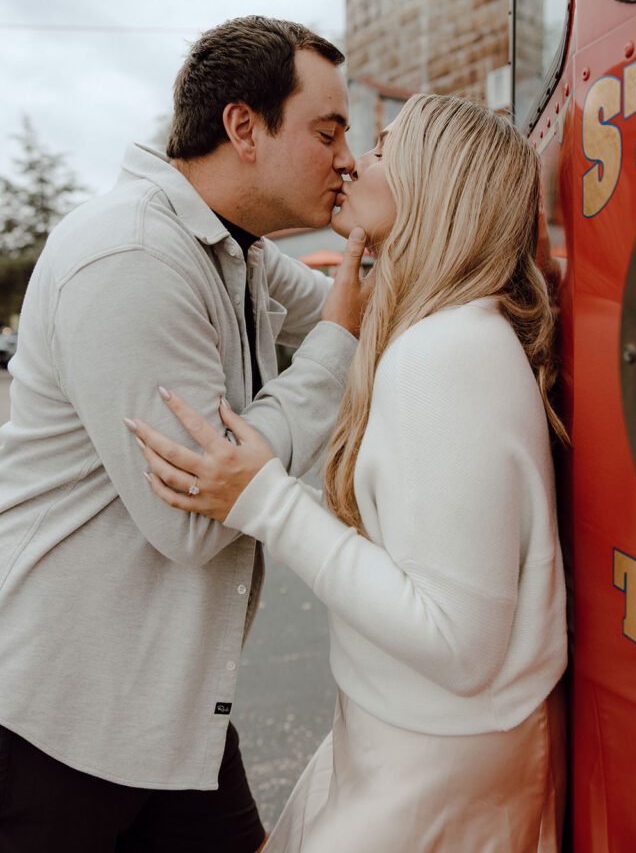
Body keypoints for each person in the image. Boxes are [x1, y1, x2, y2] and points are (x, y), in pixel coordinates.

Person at [131, 94, 569, 852]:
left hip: (434, 762)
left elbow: (459, 644)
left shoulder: (448, 355)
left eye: (383, 146)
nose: (354, 160)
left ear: (436, 182)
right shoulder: (441, 336)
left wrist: (265, 500)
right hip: (397, 734)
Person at [0, 16, 372, 852]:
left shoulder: (230, 248)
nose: (347, 159)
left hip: (168, 715)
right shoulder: (133, 255)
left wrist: (410, 235)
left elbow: (363, 318)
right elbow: (195, 518)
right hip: (58, 727)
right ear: (243, 128)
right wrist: (342, 334)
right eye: (328, 131)